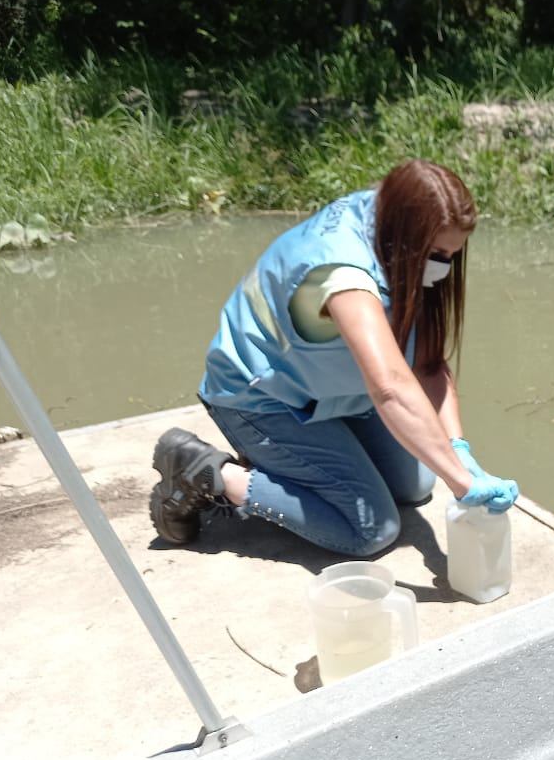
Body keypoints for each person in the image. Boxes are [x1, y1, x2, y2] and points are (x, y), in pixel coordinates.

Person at [149, 159, 519, 556]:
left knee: (416, 485)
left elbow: (427, 364)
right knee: (371, 530)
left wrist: (459, 450)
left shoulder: (389, 214)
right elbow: (391, 388)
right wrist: (463, 484)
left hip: (326, 389)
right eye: (438, 254)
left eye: (452, 255)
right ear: (406, 236)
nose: (444, 268)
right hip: (262, 397)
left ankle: (296, 462)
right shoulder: (343, 274)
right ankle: (206, 472)